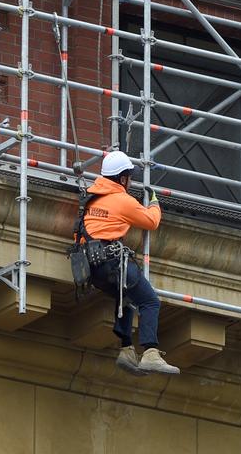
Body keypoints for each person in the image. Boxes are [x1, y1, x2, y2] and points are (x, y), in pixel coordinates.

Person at [75, 150, 180, 376]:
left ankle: (126, 349)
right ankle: (151, 352)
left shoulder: (91, 197)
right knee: (150, 301)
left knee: (127, 296)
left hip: (90, 267)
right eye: (129, 177)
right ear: (122, 179)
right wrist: (154, 202)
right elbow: (151, 222)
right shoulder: (122, 200)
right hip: (111, 260)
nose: (130, 182)